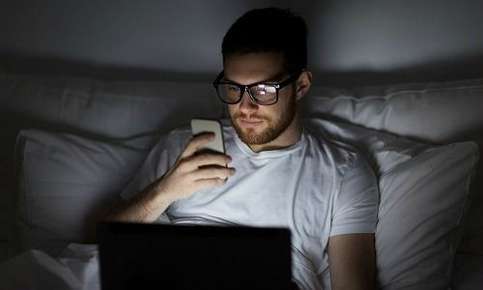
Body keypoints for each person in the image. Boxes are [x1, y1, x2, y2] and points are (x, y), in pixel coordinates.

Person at [105, 7, 378, 290]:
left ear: (301, 85)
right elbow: (98, 240)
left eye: (264, 90)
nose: (245, 107)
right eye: (234, 88)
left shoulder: (344, 173)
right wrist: (164, 191)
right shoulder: (183, 145)